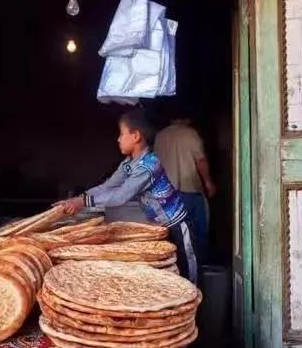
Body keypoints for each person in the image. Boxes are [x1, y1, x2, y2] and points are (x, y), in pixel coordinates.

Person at [56, 110, 198, 283]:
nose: (118, 139)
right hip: (159, 227)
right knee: (170, 272)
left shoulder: (149, 165)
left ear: (136, 136)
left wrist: (83, 202)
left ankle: (196, 305)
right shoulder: (129, 164)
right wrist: (78, 199)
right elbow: (108, 186)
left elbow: (120, 196)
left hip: (177, 225)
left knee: (187, 269)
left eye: (122, 134)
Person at [154, 111, 216, 265]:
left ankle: (175, 272)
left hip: (166, 196)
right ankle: (198, 274)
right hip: (190, 193)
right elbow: (200, 160)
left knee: (172, 237)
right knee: (197, 236)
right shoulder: (190, 133)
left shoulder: (160, 136)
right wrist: (208, 182)